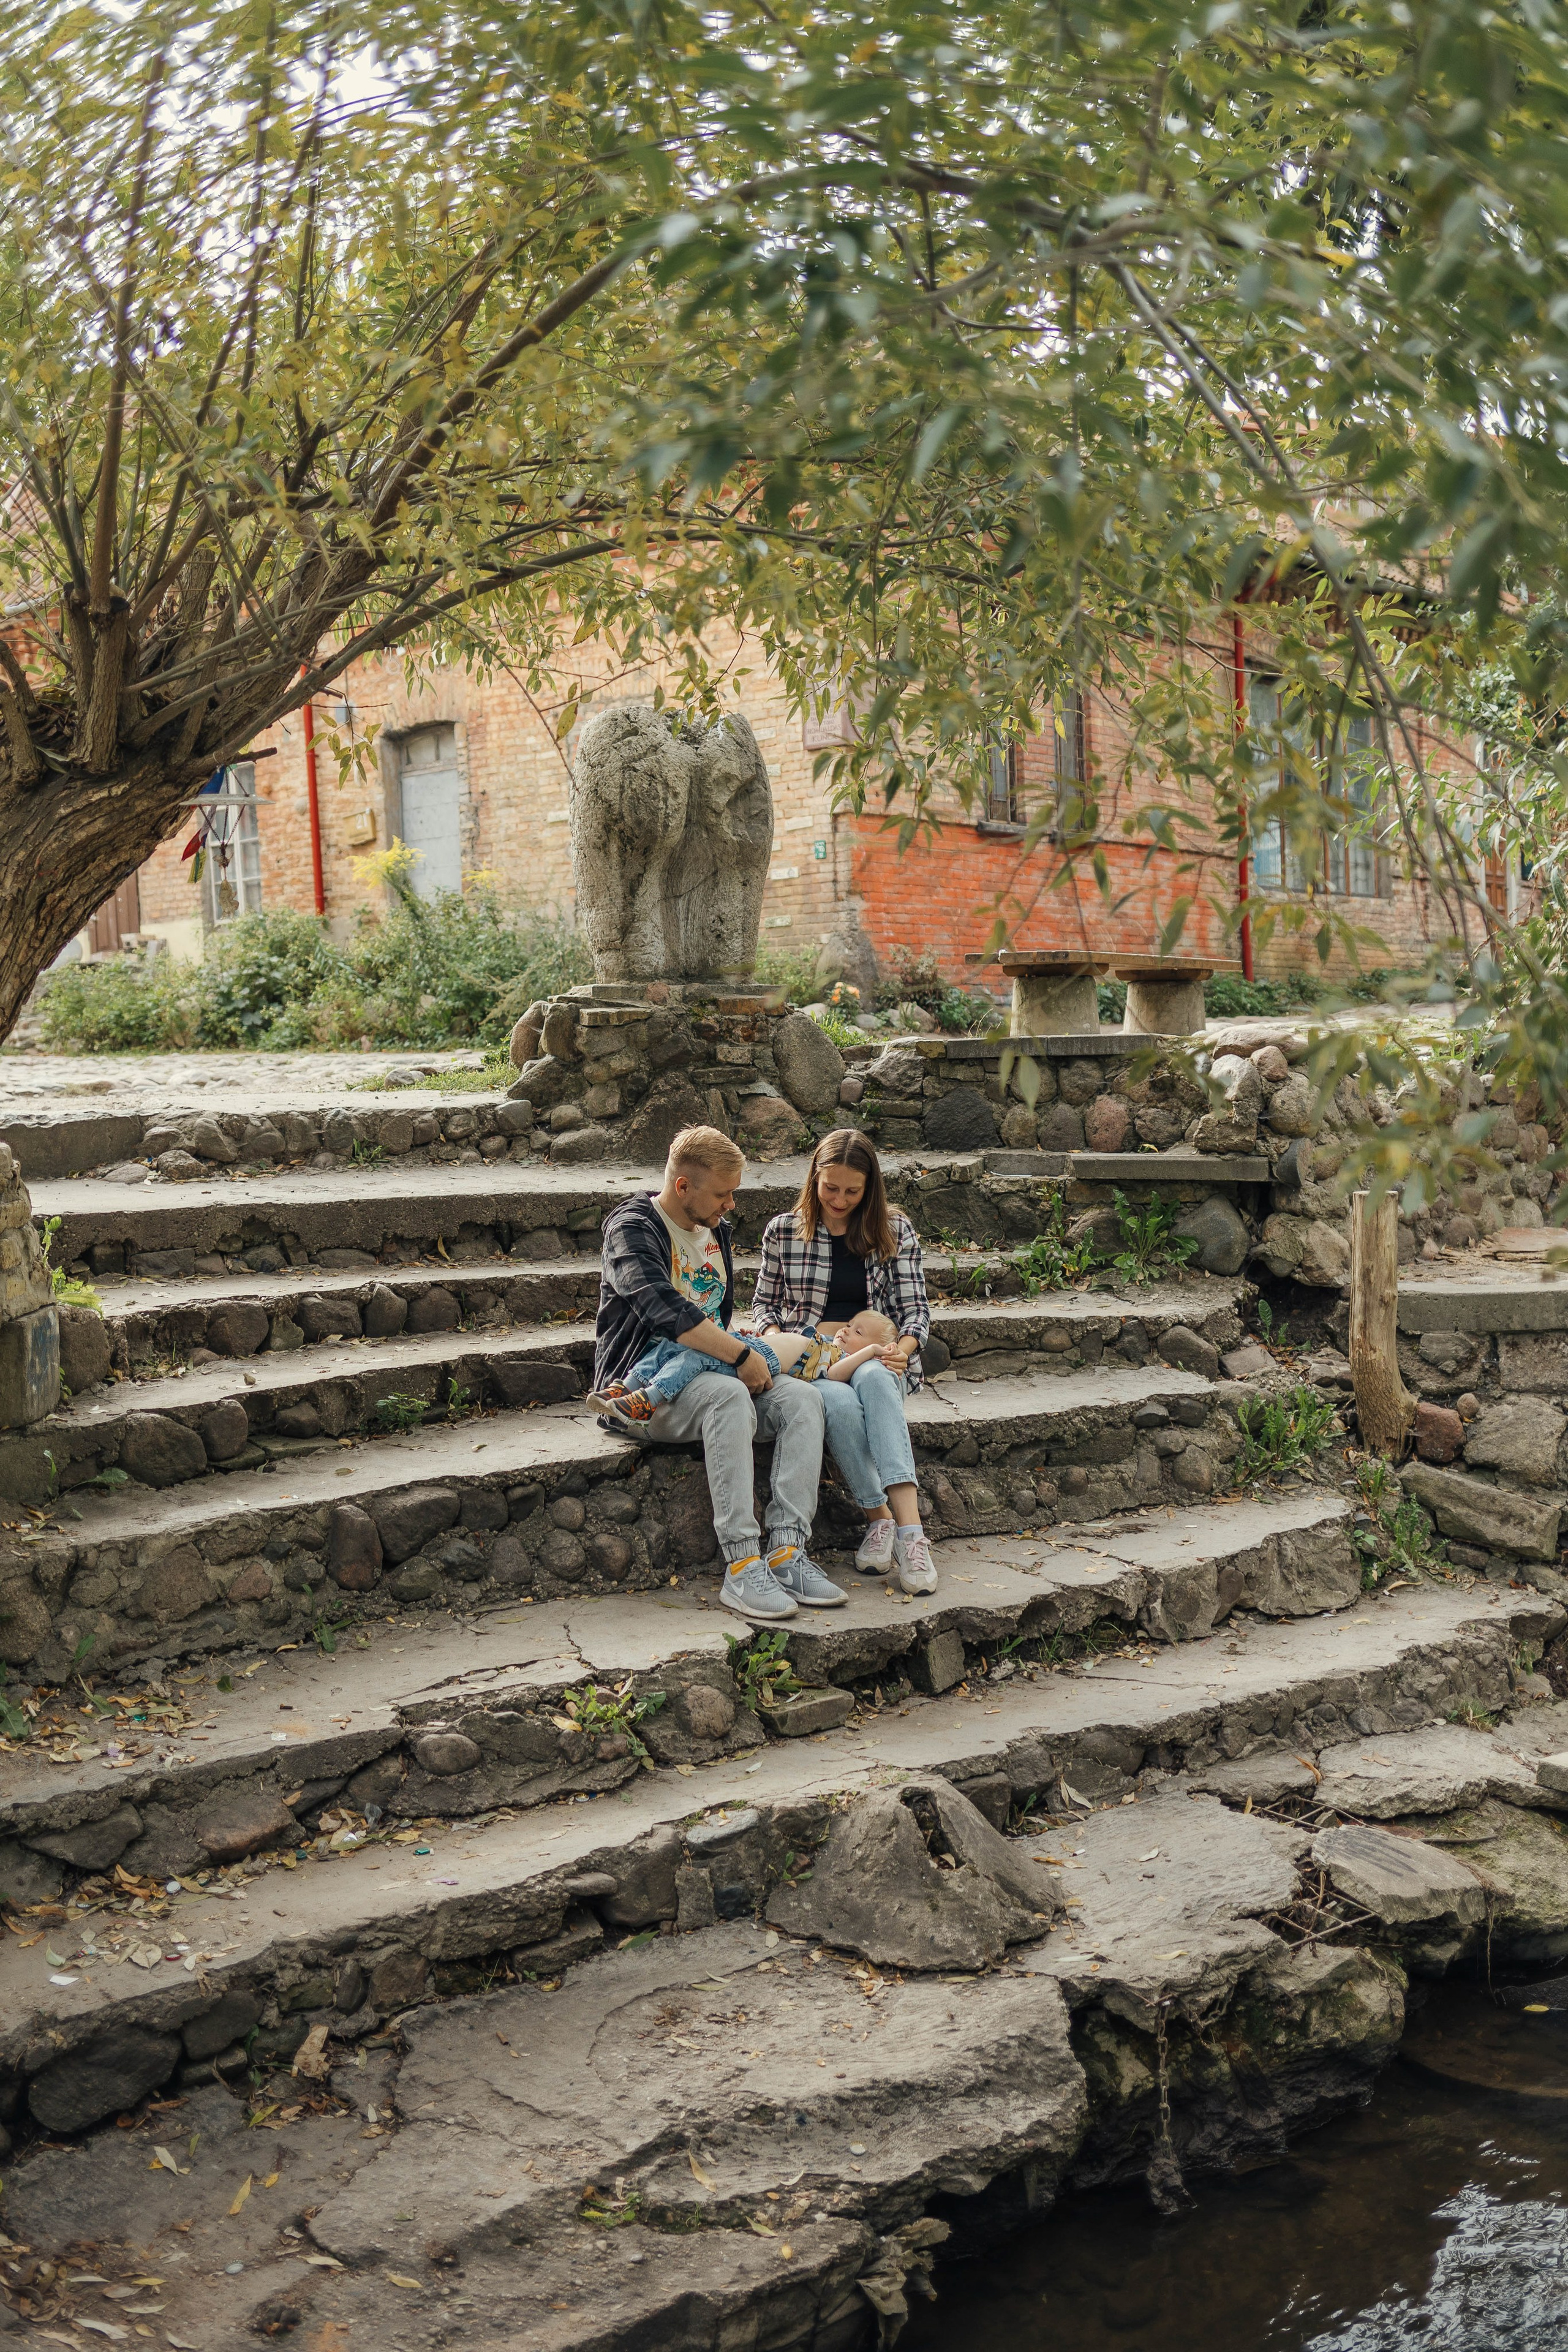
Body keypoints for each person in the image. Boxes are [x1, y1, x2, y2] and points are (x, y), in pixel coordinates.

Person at [593, 1123, 846, 1624]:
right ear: (682, 1186)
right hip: (644, 1388)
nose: (731, 1205)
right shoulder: (632, 1228)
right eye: (723, 1193)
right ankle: (742, 1564)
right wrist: (738, 1355)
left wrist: (743, 1350)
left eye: (734, 1193)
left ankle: (787, 1553)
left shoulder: (716, 1229)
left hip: (708, 1370)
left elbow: (715, 1314)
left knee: (802, 1400)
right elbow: (663, 1309)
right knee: (730, 1394)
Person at [752, 1129, 938, 1596]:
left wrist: (903, 1350)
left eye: (852, 1191)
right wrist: (778, 1338)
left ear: (869, 1188)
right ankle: (880, 1520)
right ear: (814, 1177)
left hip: (879, 1354)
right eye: (829, 1187)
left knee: (874, 1380)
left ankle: (910, 1534)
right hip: (815, 1359)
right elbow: (763, 1307)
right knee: (834, 1403)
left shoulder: (895, 1230)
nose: (839, 1199)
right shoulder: (783, 1231)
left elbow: (916, 1312)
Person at [590, 1307, 900, 1426]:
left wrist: (873, 1352)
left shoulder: (841, 1361)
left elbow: (835, 1375)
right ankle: (627, 1386)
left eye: (859, 1332)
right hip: (750, 1344)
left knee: (695, 1356)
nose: (847, 1330)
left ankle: (650, 1399)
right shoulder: (829, 1340)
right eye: (850, 1323)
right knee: (676, 1343)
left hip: (762, 1360)